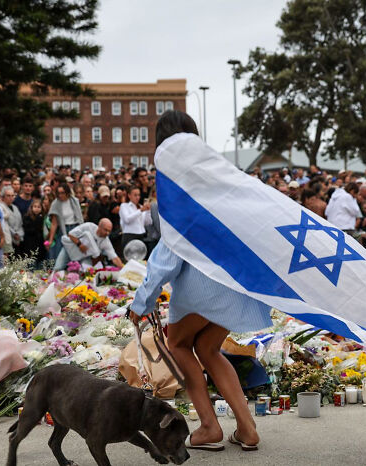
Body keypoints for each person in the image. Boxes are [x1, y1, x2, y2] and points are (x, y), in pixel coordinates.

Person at [130, 110, 263, 451]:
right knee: (207, 348)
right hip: (235, 281)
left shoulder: (178, 187)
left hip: (203, 285)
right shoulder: (221, 178)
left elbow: (168, 253)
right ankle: (247, 429)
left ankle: (208, 427)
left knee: (177, 345)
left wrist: (142, 301)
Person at [53, 219, 124, 271]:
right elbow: (71, 234)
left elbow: (114, 258)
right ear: (99, 226)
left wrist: (124, 268)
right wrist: (79, 244)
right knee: (58, 267)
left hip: (84, 256)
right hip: (70, 248)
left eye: (109, 231)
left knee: (87, 272)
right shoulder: (88, 226)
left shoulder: (106, 241)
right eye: (105, 230)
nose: (107, 233)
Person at [46, 183, 84, 261]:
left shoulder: (74, 201)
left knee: (75, 255)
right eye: (58, 193)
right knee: (59, 254)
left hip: (75, 229)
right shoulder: (55, 204)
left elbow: (79, 217)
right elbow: (54, 223)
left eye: (62, 193)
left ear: (67, 192)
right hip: (63, 230)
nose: (60, 195)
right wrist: (50, 240)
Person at [0, 186, 24, 256]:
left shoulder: (15, 207)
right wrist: (14, 234)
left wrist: (19, 234)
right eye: (8, 195)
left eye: (12, 195)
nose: (11, 197)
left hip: (18, 239)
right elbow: (4, 224)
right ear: (3, 197)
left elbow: (20, 223)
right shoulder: (0, 207)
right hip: (7, 238)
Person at [22, 199, 46, 268]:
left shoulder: (42, 217)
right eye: (35, 206)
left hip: (40, 245)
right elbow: (29, 230)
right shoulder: (27, 217)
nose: (36, 209)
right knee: (32, 265)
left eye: (38, 207)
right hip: (29, 245)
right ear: (31, 207)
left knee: (40, 265)